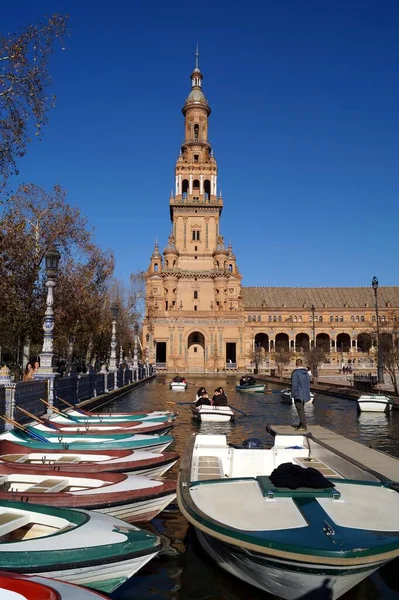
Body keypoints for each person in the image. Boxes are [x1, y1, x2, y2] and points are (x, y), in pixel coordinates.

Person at [291, 358, 311, 431]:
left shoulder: (295, 373)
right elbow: (308, 383)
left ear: (296, 364)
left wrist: (292, 394)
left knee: (300, 410)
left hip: (298, 394)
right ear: (301, 364)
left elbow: (294, 385)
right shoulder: (306, 373)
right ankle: (300, 425)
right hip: (305, 394)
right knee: (301, 409)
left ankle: (304, 426)